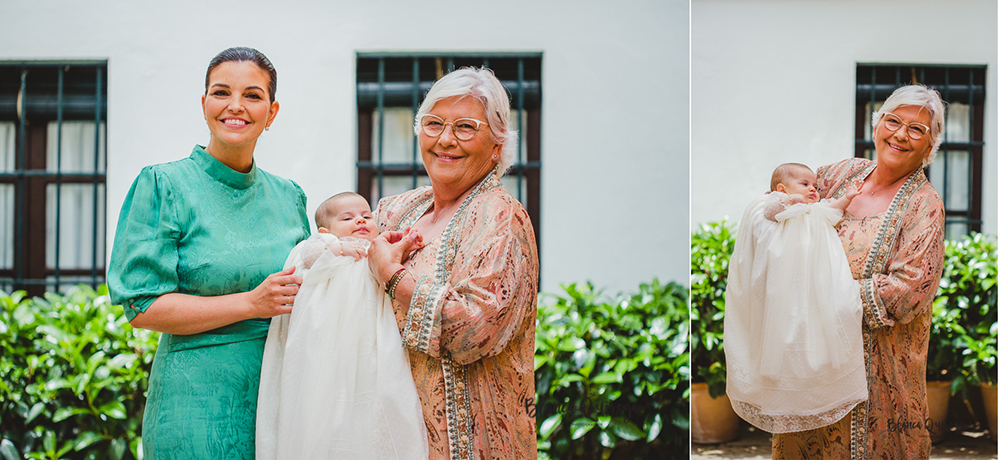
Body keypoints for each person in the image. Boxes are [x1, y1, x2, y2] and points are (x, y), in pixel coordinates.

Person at [107, 47, 310, 460]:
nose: (235, 106)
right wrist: (252, 303)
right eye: (222, 92)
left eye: (252, 96)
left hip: (279, 398)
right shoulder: (164, 185)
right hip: (193, 404)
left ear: (271, 113)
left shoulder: (289, 197)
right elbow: (141, 305)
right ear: (204, 105)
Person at [366, 67, 539, 459]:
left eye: (465, 127)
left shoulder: (501, 218)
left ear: (497, 145)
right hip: (390, 441)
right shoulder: (397, 210)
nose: (445, 139)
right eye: (434, 124)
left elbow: (472, 329)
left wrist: (392, 276)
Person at [772, 85, 946, 459]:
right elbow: (784, 207)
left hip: (878, 381)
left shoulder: (924, 205)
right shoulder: (840, 175)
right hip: (810, 370)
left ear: (930, 147)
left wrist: (823, 297)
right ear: (876, 126)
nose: (901, 134)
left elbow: (906, 293)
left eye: (917, 130)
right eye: (893, 121)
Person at [256, 192, 427, 460]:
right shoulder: (324, 242)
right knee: (327, 401)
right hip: (329, 333)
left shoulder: (375, 248)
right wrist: (339, 248)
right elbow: (311, 256)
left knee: (372, 396)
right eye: (348, 218)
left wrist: (407, 242)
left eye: (366, 216)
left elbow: (392, 260)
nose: (360, 221)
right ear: (327, 230)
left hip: (367, 332)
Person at [724, 163, 867, 434]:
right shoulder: (779, 202)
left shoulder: (813, 210)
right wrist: (793, 200)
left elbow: (833, 210)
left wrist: (848, 197)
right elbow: (772, 211)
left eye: (815, 185)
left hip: (810, 283)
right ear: (781, 188)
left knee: (813, 330)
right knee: (784, 332)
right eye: (804, 184)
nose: (813, 188)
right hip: (785, 285)